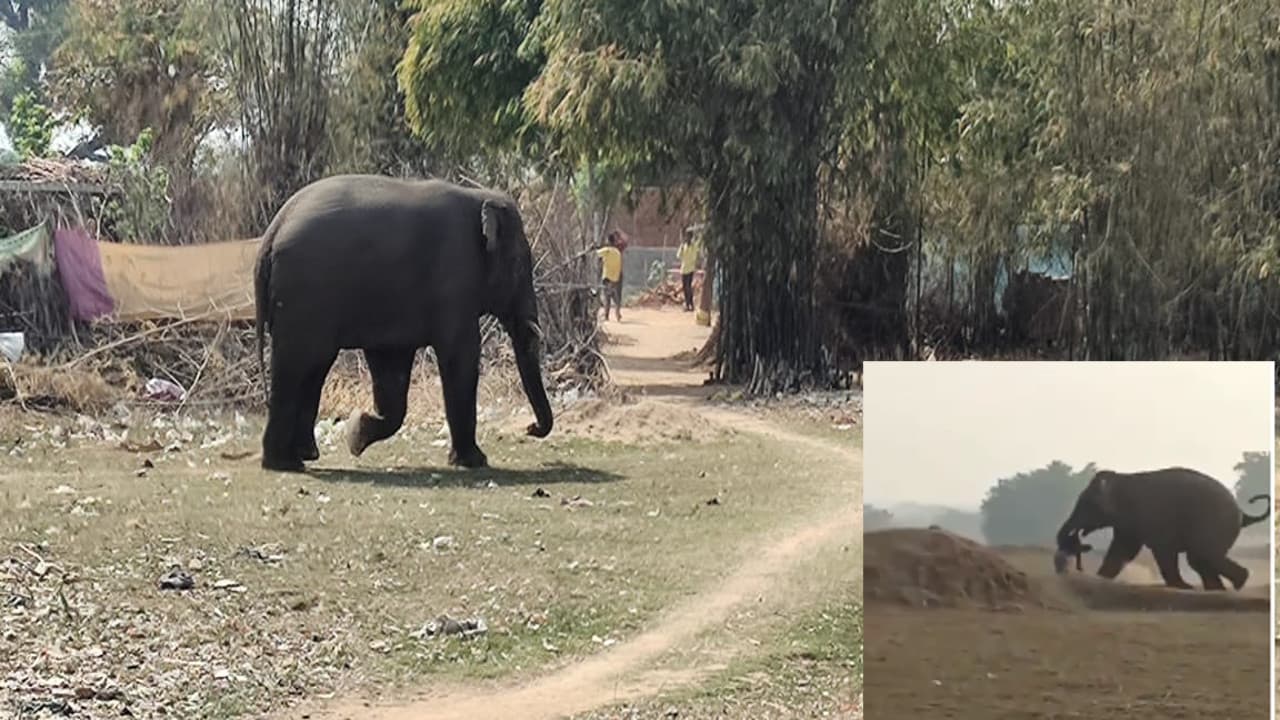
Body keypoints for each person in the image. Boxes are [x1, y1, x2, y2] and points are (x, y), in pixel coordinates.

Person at [595, 232, 623, 322]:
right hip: (615, 277)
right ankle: (617, 312)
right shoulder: (617, 252)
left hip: (607, 277)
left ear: (608, 241)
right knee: (615, 296)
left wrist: (595, 247)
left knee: (607, 297)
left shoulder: (606, 250)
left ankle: (606, 316)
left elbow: (596, 253)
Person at [677, 233, 700, 311]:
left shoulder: (694, 246)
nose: (687, 239)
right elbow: (679, 256)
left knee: (688, 287)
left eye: (689, 237)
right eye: (686, 237)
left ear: (691, 238)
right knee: (685, 287)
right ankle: (688, 304)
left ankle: (690, 304)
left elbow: (695, 257)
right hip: (684, 269)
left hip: (690, 269)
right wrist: (681, 247)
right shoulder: (684, 246)